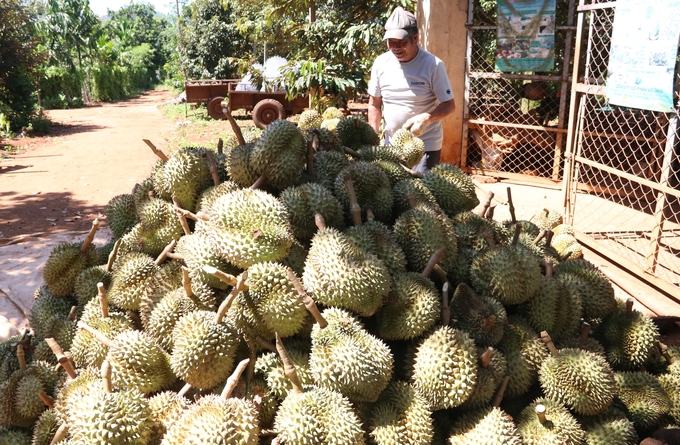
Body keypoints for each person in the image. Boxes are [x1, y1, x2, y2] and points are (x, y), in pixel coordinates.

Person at [368, 6, 456, 174]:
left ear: (415, 38)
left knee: (420, 194)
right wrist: (373, 137)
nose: (395, 48)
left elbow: (449, 105)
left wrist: (427, 118)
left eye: (401, 43)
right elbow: (374, 104)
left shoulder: (433, 65)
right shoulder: (380, 63)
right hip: (391, 145)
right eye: (391, 43)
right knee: (396, 196)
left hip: (425, 146)